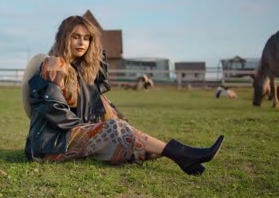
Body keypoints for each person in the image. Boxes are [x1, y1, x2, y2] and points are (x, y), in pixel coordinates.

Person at [23, 15, 224, 176]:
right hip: (47, 146)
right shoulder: (55, 64)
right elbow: (53, 108)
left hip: (70, 139)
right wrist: (95, 129)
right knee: (116, 130)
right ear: (64, 37)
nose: (82, 42)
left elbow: (101, 108)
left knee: (124, 135)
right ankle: (182, 154)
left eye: (87, 38)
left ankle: (182, 157)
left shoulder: (82, 74)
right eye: (76, 36)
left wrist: (121, 125)